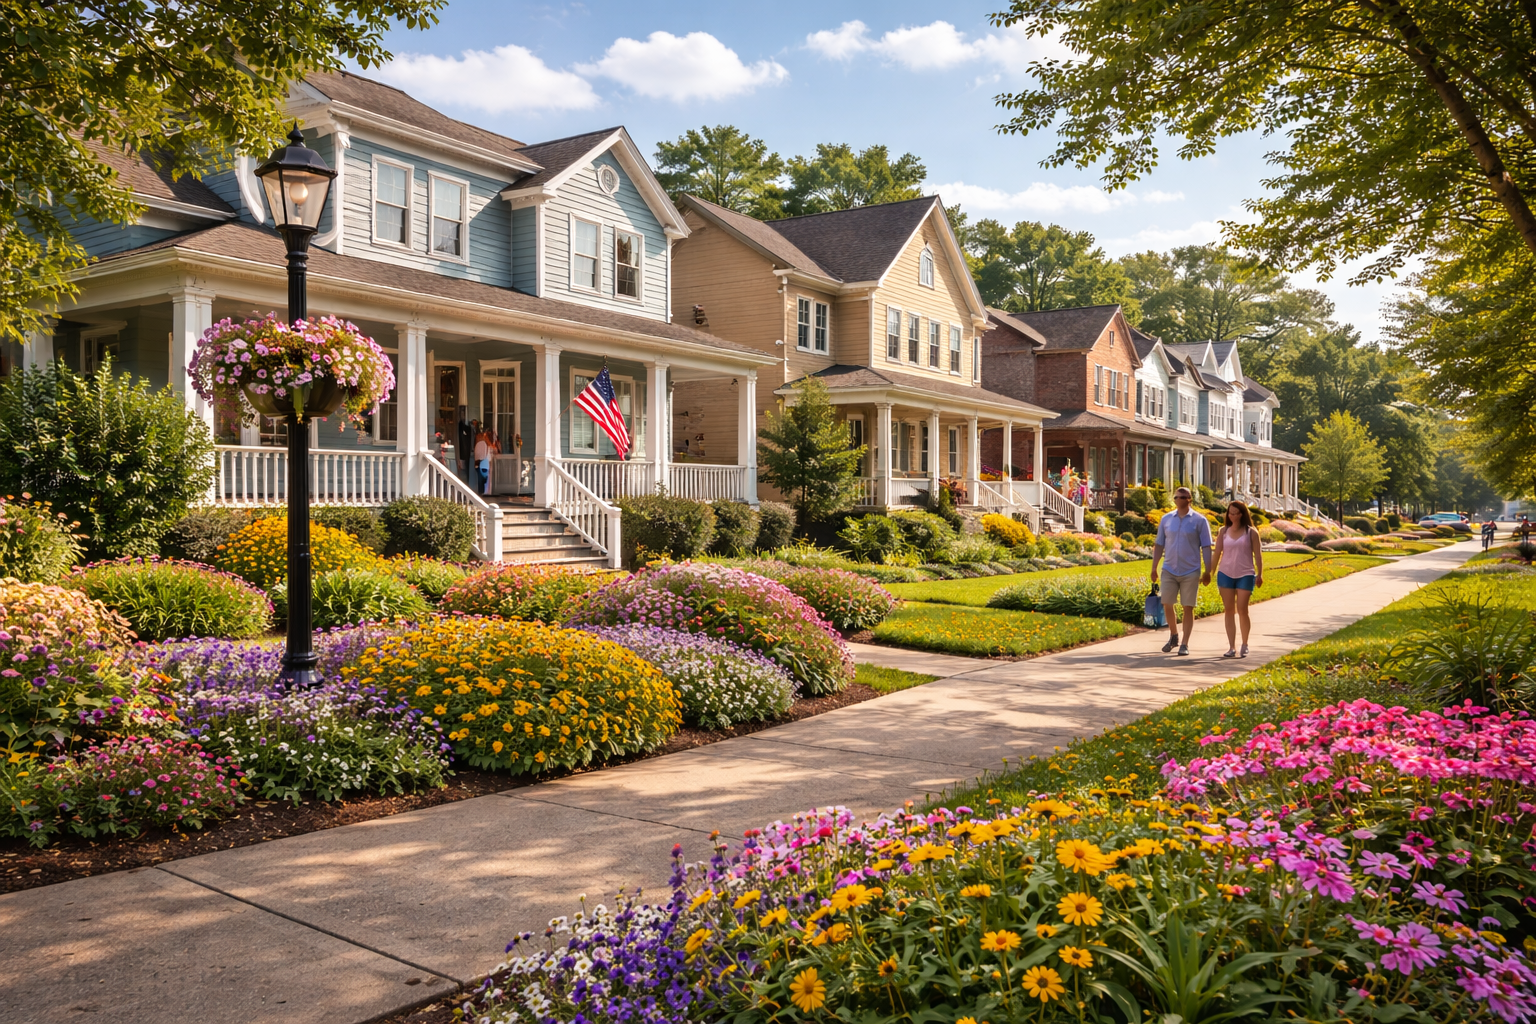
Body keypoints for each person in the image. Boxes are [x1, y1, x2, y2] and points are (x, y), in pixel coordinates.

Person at [1149, 485, 1213, 656]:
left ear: (1189, 499)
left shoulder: (1199, 521)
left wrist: (1208, 571)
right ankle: (1174, 636)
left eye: (1182, 497)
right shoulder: (1166, 519)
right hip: (1169, 568)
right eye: (1176, 497)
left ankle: (1185, 643)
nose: (1178, 500)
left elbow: (1206, 547)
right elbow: (1159, 544)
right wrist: (1154, 567)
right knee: (1167, 603)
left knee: (1188, 606)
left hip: (1190, 570)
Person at [1213, 500, 1264, 659]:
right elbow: (1217, 553)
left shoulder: (1251, 532)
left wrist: (1260, 574)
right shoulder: (1223, 531)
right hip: (1225, 573)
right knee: (1229, 610)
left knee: (1242, 609)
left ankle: (1245, 644)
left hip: (1246, 574)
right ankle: (1231, 647)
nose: (1233, 516)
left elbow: (1258, 555)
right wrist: (1210, 571)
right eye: (1230, 513)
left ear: (1242, 514)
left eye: (1236, 513)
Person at [474, 429, 491, 495]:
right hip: (484, 463)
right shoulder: (484, 443)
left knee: (480, 479)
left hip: (480, 462)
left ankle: (481, 491)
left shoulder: (479, 443)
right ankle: (482, 491)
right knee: (483, 478)